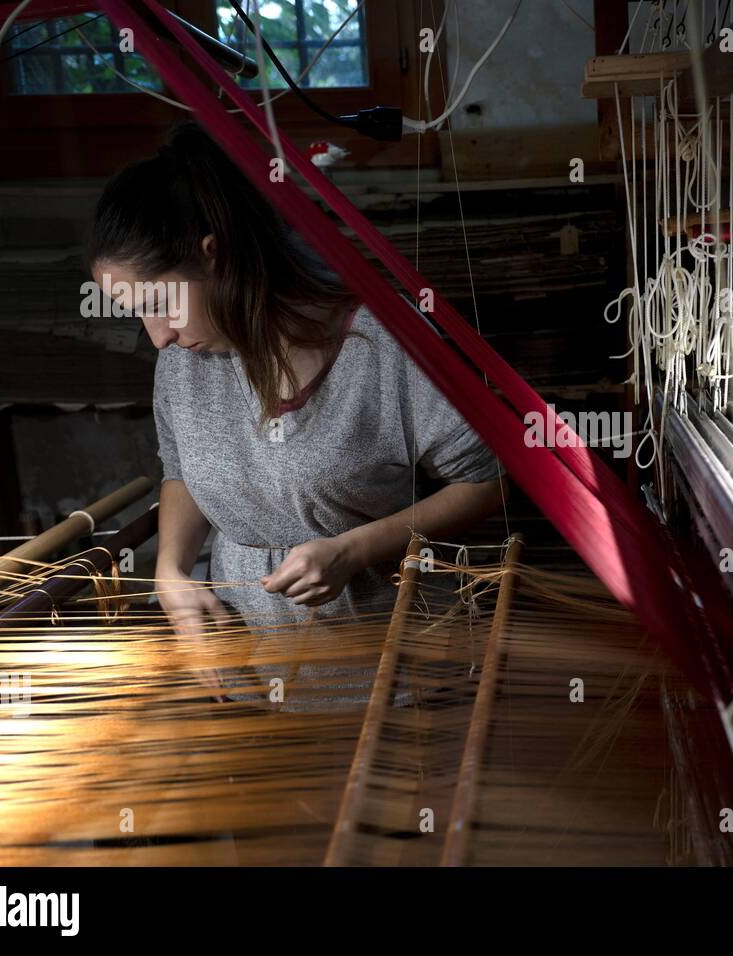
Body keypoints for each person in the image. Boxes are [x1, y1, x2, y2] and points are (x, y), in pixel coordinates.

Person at [87, 123, 504, 646]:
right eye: (138, 314)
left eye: (159, 304)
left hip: (391, 654)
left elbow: (486, 482)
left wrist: (354, 551)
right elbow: (182, 473)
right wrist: (171, 571)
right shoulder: (183, 360)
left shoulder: (383, 345)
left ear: (215, 254)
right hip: (248, 652)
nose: (158, 337)